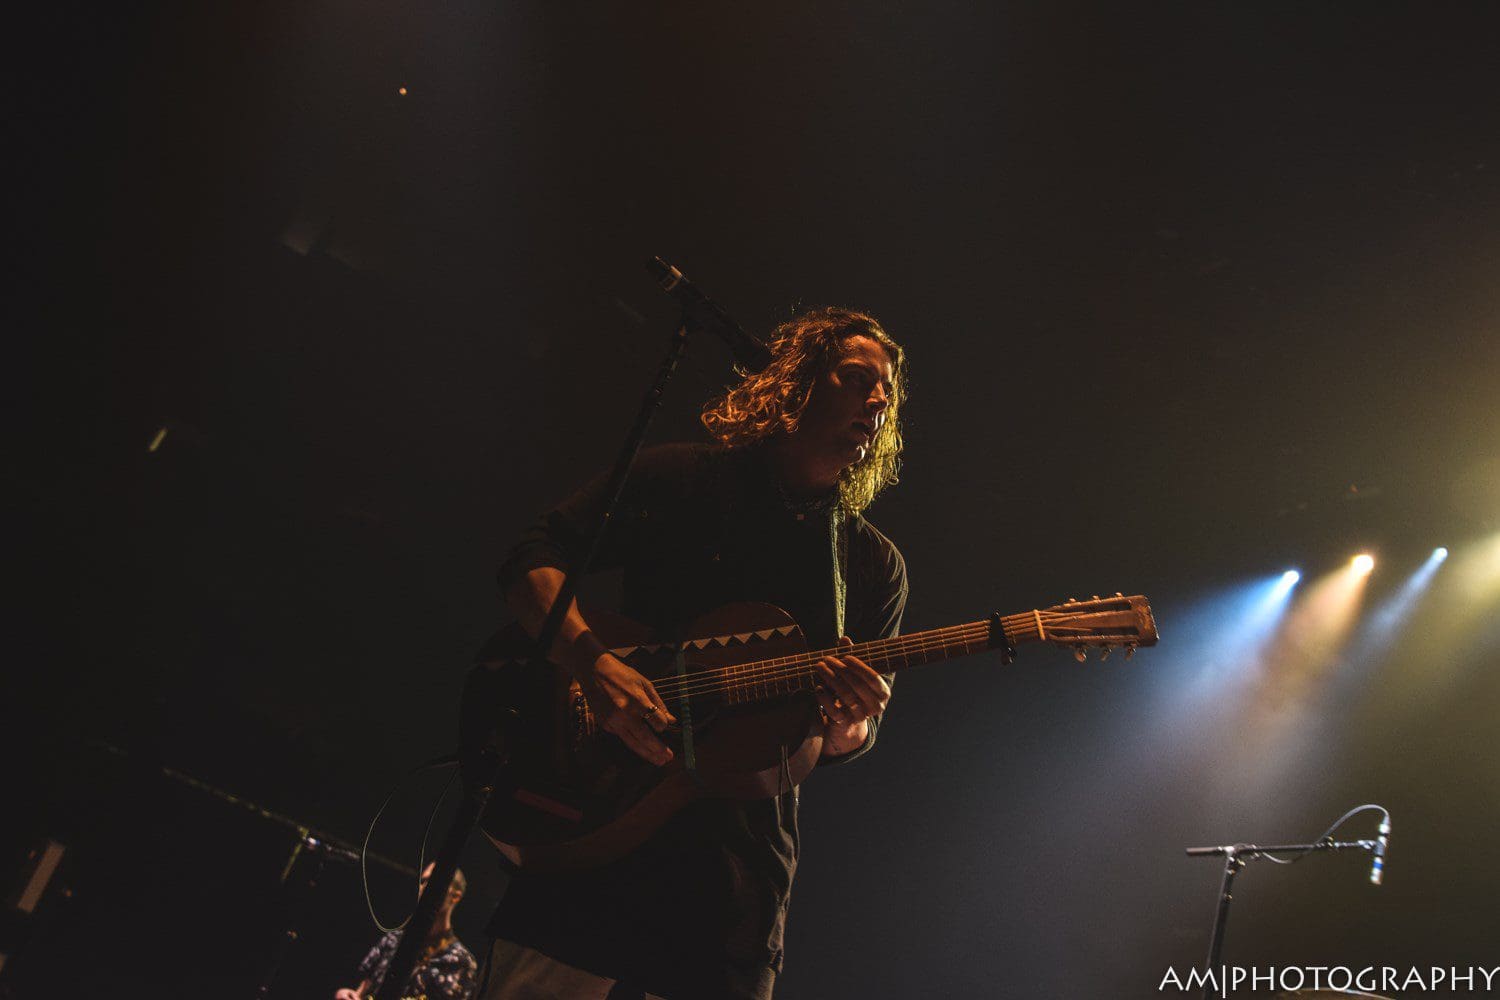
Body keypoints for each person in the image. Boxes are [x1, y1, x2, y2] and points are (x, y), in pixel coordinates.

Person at [482, 306, 909, 1000]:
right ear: (798, 380)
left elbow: (846, 740)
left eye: (886, 390)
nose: (879, 399)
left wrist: (850, 719)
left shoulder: (870, 565)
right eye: (858, 377)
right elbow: (534, 554)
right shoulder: (683, 478)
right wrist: (594, 663)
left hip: (730, 879)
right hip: (592, 817)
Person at [336, 863, 478, 1000]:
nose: (425, 887)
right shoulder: (393, 939)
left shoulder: (461, 961)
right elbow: (362, 990)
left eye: (435, 883)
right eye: (423, 881)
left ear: (455, 896)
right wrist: (350, 995)